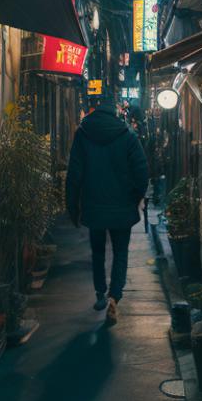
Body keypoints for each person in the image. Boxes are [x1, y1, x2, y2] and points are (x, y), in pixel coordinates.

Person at [65, 91, 149, 324]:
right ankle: (115, 296)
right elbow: (142, 173)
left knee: (98, 252)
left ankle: (100, 293)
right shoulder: (128, 136)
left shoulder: (82, 135)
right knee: (121, 253)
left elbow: (74, 174)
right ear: (115, 114)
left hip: (94, 206)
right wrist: (135, 198)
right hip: (122, 207)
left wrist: (73, 206)